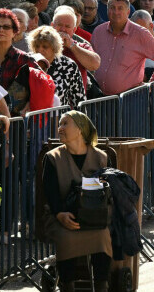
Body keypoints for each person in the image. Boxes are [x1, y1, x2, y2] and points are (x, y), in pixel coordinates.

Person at [41, 111, 113, 292]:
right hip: (62, 215)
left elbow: (111, 191)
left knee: (103, 235)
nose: (60, 128)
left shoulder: (101, 157)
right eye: (60, 124)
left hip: (96, 216)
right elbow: (49, 192)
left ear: (80, 129)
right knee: (67, 236)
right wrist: (59, 214)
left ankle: (102, 287)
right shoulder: (52, 158)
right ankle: (68, 286)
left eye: (65, 124)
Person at [91, 0, 154, 95]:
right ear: (107, 10)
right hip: (100, 98)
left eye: (120, 8)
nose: (116, 12)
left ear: (128, 12)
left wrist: (152, 84)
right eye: (112, 8)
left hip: (130, 99)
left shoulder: (140, 33)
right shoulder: (99, 31)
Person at [28, 26, 85, 109]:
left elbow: (79, 99)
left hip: (60, 119)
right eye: (37, 46)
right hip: (33, 119)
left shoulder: (69, 66)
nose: (40, 50)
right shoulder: (28, 63)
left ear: (54, 48)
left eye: (45, 47)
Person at [0, 9, 38, 91]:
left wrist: (29, 103)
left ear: (14, 31)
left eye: (6, 27)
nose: (1, 30)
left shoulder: (24, 60)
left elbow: (42, 86)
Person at [52, 6, 101, 93]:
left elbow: (95, 64)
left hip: (75, 102)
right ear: (52, 25)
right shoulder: (42, 43)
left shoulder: (81, 46)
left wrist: (72, 46)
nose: (63, 29)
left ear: (74, 30)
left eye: (67, 26)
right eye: (59, 25)